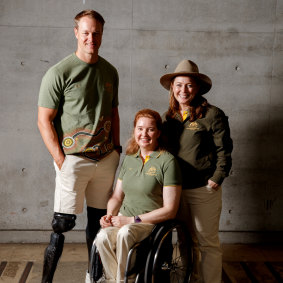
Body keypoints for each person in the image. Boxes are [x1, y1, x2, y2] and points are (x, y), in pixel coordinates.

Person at [37, 10, 121, 283]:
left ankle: (93, 278)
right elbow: (44, 120)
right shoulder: (59, 72)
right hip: (73, 159)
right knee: (62, 224)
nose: (91, 38)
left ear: (102, 34)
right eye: (85, 32)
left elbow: (114, 112)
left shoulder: (110, 71)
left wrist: (117, 149)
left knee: (99, 224)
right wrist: (60, 159)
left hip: (105, 158)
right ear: (76, 32)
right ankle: (46, 281)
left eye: (96, 32)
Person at [161, 60, 233, 283]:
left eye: (189, 85)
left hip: (203, 189)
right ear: (173, 87)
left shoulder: (213, 115)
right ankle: (189, 279)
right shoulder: (169, 117)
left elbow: (225, 150)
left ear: (198, 87)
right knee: (184, 240)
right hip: (176, 190)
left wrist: (216, 178)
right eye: (179, 85)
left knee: (207, 242)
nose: (184, 90)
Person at [94, 109, 182, 283]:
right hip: (122, 219)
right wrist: (109, 215)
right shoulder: (129, 159)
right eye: (140, 128)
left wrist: (131, 220)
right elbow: (117, 197)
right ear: (134, 131)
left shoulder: (167, 161)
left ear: (158, 132)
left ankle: (124, 279)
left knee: (125, 233)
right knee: (102, 237)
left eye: (150, 129)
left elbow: (170, 210)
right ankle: (119, 280)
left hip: (147, 222)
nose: (144, 134)